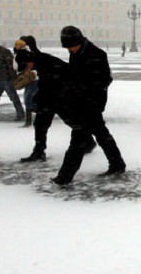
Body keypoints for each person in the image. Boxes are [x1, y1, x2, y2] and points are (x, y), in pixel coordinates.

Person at [50, 26, 125, 186]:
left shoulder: (97, 54)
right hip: (80, 102)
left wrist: (85, 88)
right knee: (102, 135)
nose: (69, 49)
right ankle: (117, 164)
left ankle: (64, 177)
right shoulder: (76, 53)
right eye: (67, 47)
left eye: (71, 46)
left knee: (78, 139)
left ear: (79, 41)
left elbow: (105, 80)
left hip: (91, 103)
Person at [18, 39, 96, 163]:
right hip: (50, 98)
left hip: (62, 98)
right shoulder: (38, 60)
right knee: (40, 124)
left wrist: (39, 96)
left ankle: (89, 141)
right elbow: (45, 82)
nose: (27, 68)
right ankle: (39, 151)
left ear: (29, 61)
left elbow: (57, 81)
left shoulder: (48, 63)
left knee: (72, 121)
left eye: (26, 65)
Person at [13, 37, 39, 128]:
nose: (14, 46)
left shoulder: (21, 54)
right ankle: (30, 121)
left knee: (28, 100)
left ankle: (33, 120)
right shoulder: (28, 53)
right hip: (31, 78)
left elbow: (16, 67)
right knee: (30, 100)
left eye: (16, 45)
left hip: (31, 79)